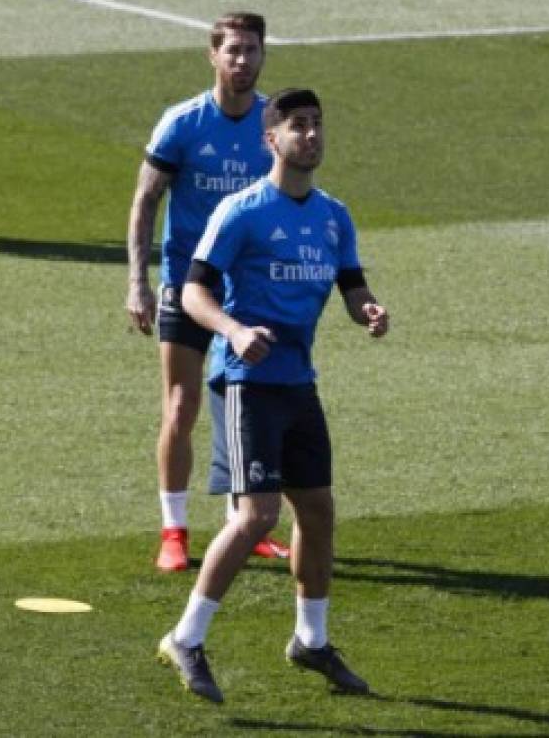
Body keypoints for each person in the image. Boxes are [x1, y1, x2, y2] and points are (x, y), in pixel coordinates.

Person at [157, 88, 389, 703]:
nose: (310, 136)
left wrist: (368, 309)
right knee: (256, 514)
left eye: (317, 125)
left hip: (297, 384)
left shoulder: (333, 216)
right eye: (298, 126)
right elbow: (192, 293)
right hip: (246, 383)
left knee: (317, 512)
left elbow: (352, 285)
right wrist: (233, 330)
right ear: (272, 139)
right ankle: (186, 636)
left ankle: (310, 641)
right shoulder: (242, 211)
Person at [126, 12, 289, 572]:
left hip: (249, 293)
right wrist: (137, 282)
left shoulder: (273, 125)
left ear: (264, 55)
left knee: (248, 409)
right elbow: (146, 199)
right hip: (188, 286)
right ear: (213, 57)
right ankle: (173, 531)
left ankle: (244, 523)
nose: (242, 60)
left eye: (252, 50)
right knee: (181, 404)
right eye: (233, 51)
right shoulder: (184, 123)